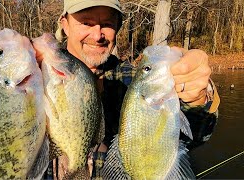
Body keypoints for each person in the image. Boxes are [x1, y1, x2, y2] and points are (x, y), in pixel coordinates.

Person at [31, 0, 220, 178]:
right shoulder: (35, 74)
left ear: (117, 27)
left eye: (107, 23)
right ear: (65, 24)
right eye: (87, 23)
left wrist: (199, 96)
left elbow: (195, 135)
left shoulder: (131, 80)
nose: (97, 35)